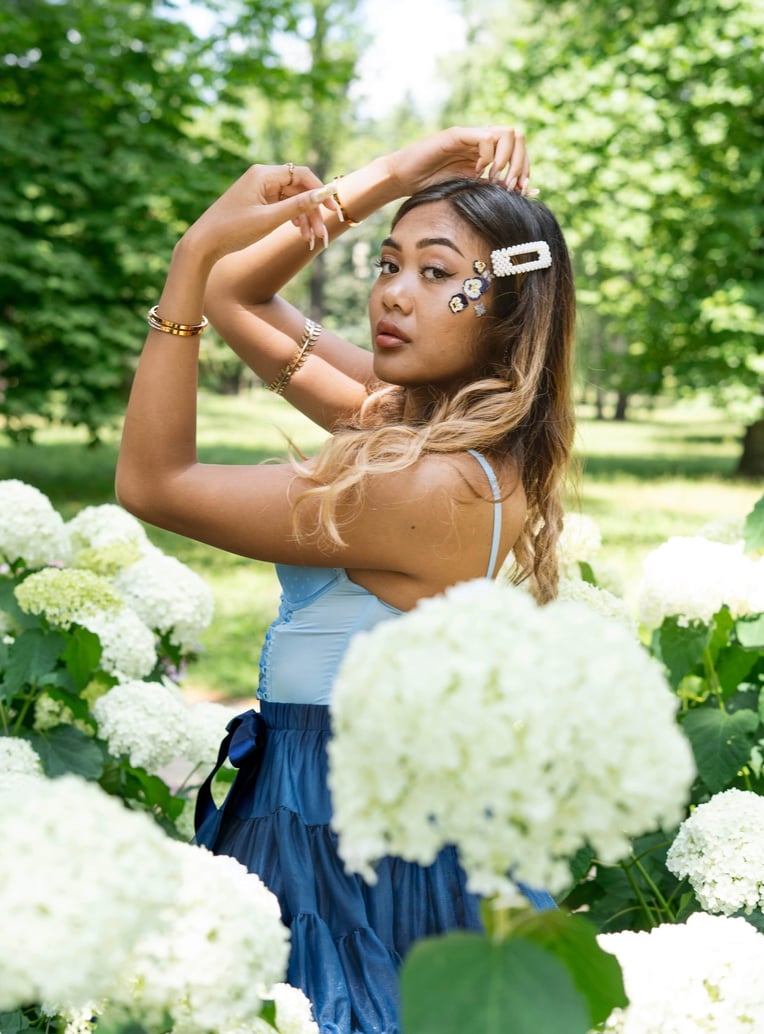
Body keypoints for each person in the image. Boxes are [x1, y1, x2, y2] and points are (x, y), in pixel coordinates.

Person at [115, 125, 575, 1034]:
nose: (393, 297)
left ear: (507, 309)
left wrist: (187, 258)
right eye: (389, 263)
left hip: (339, 842)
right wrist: (399, 172)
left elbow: (152, 483)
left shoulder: (422, 482)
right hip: (330, 803)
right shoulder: (425, 428)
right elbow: (241, 292)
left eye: (439, 275)